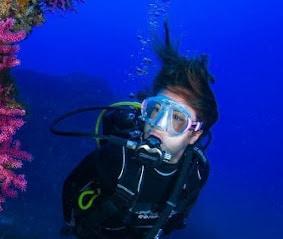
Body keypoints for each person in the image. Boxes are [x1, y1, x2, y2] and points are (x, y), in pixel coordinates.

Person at [58, 21, 219, 239]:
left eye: (178, 119)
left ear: (195, 133)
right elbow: (72, 185)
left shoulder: (196, 173)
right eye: (155, 110)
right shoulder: (115, 157)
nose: (158, 124)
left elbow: (178, 215)